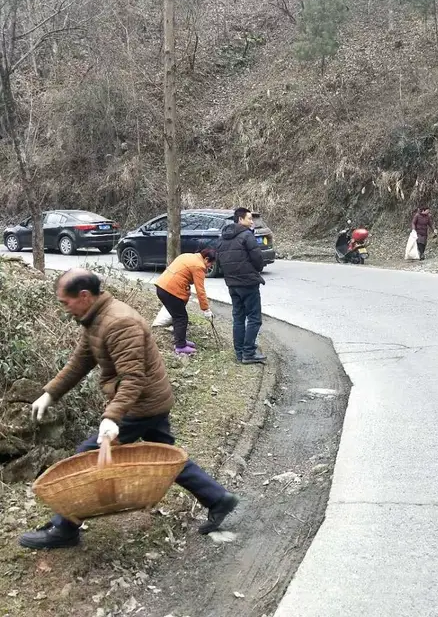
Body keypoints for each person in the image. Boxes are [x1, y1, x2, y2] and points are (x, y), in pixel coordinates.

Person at [19, 269, 238, 550]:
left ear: (84, 296)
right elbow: (80, 361)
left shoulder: (120, 323)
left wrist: (112, 418)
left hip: (140, 404)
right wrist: (50, 393)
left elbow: (133, 378)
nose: (64, 308)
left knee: (87, 456)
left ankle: (65, 529)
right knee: (166, 457)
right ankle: (219, 499)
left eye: (65, 302)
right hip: (148, 401)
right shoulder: (96, 318)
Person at [215, 208, 266, 364]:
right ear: (240, 220)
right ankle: (249, 352)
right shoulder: (247, 236)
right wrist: (256, 270)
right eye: (249, 219)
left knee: (238, 318)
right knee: (254, 318)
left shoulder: (222, 238)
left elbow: (219, 261)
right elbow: (257, 257)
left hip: (232, 284)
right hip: (248, 283)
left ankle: (239, 352)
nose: (252, 222)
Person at [155, 249, 215, 355]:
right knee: (181, 318)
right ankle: (180, 346)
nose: (209, 267)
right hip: (171, 290)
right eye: (210, 264)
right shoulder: (199, 266)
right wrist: (206, 309)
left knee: (177, 316)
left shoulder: (187, 256)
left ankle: (181, 340)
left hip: (161, 287)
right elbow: (200, 290)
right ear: (206, 259)